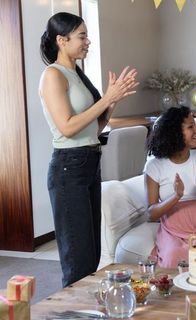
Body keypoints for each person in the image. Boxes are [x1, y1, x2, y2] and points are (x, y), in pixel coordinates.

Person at [39, 12, 138, 287]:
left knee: (91, 255)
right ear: (62, 40)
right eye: (82, 36)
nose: (87, 41)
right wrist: (106, 97)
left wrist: (112, 102)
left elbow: (94, 128)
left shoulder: (76, 74)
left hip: (89, 162)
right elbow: (68, 127)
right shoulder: (53, 76)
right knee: (77, 259)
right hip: (68, 167)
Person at [145, 106, 196, 268]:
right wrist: (176, 196)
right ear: (173, 132)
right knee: (172, 258)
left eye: (195, 125)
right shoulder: (154, 166)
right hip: (173, 228)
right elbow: (152, 214)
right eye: (191, 127)